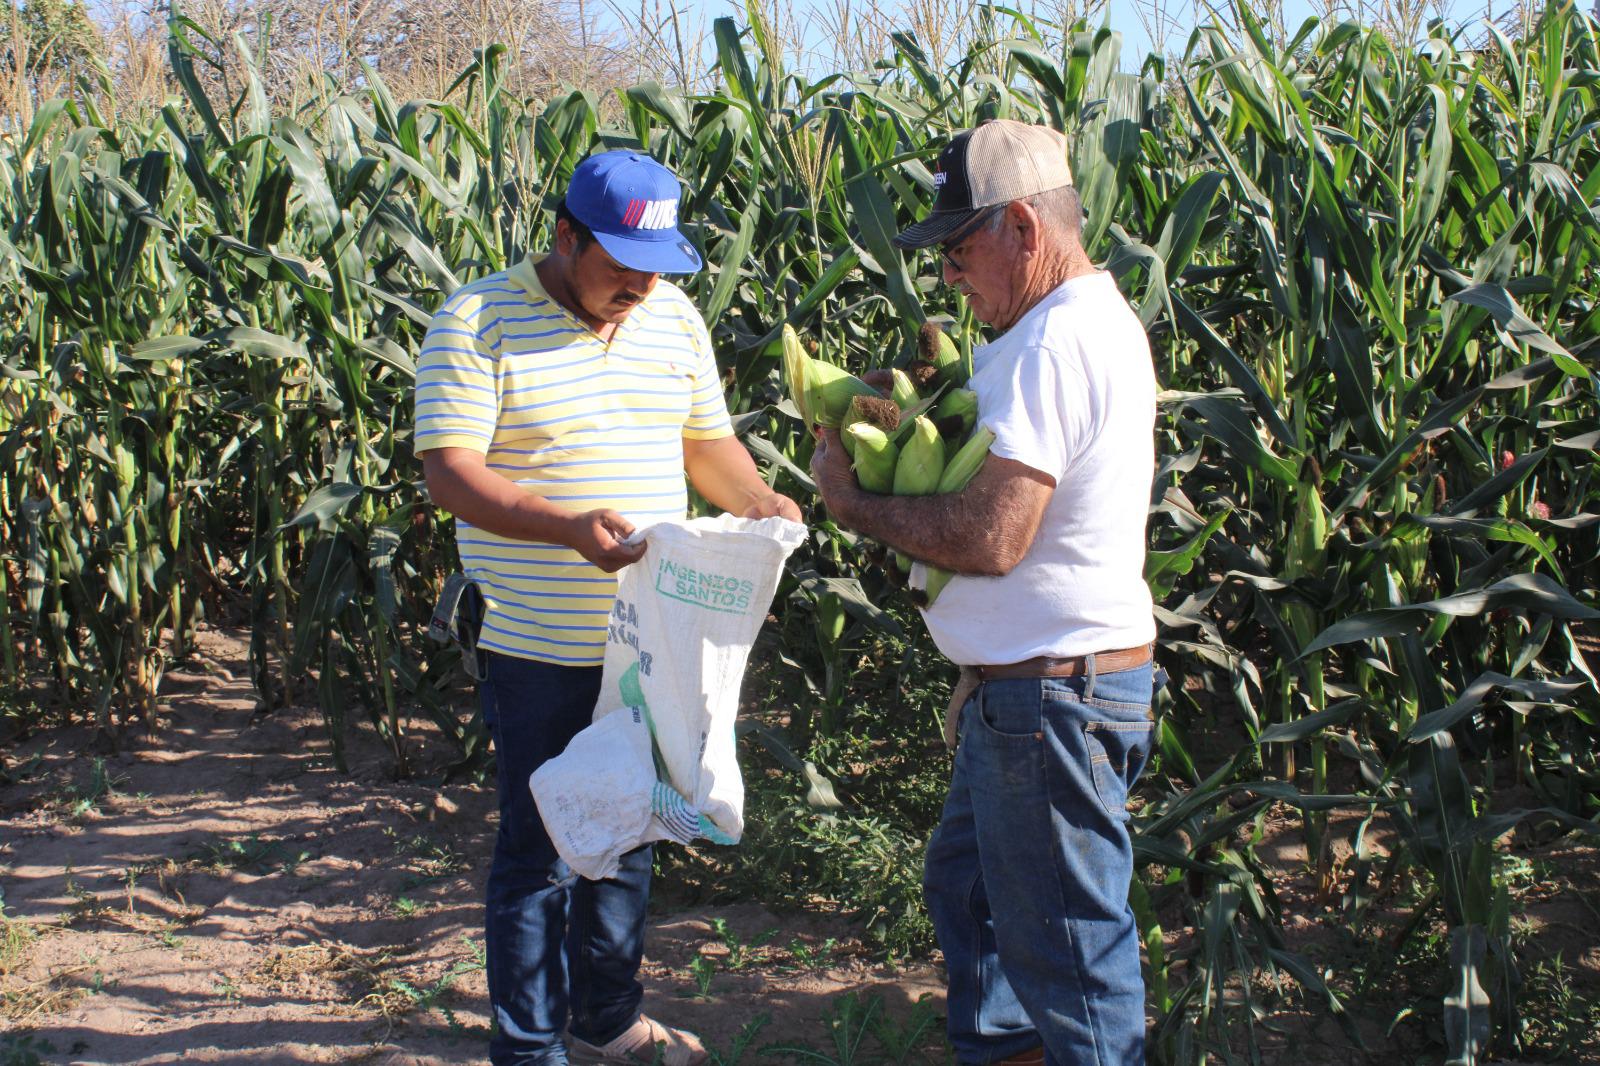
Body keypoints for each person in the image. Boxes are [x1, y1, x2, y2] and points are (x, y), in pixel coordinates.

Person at [414, 150, 801, 1066]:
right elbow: (451, 474)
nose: (640, 282)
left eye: (656, 262)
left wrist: (758, 504)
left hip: (650, 642)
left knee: (630, 831)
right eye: (621, 261)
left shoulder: (672, 316)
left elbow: (707, 444)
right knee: (541, 849)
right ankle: (530, 1046)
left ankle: (609, 1022)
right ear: (564, 236)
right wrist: (566, 526)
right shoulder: (477, 321)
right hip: (538, 640)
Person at [809, 120, 1158, 1066]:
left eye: (961, 250)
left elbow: (992, 535)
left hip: (1053, 700)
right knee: (971, 891)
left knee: (1068, 953)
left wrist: (851, 501)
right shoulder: (1069, 325)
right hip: (1028, 691)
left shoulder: (1057, 339)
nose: (949, 277)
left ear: (1023, 230)